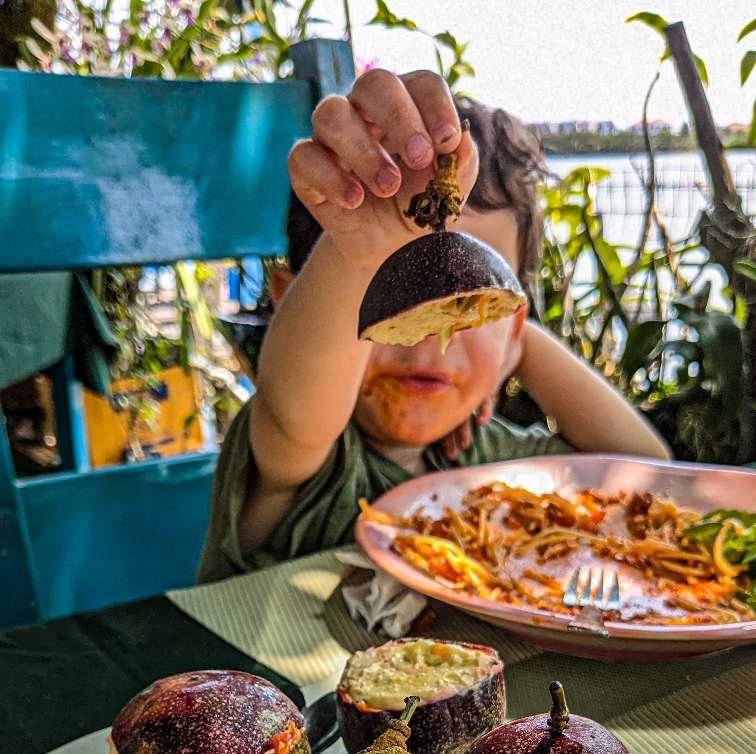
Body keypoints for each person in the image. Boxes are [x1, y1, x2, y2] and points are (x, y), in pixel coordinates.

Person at [198, 68, 670, 582]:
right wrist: (361, 248)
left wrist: (517, 338)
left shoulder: (487, 461)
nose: (431, 336)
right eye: (390, 284)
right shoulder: (299, 461)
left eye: (470, 304)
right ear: (291, 302)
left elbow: (649, 473)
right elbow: (295, 404)